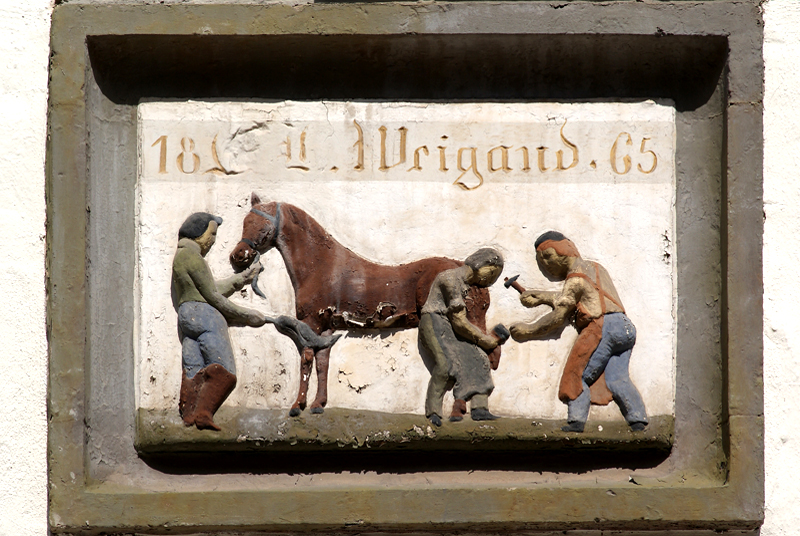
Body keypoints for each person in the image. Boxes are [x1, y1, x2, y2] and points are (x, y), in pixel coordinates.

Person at [509, 231, 648, 432]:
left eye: (548, 255)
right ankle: (637, 418)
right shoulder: (595, 267)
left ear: (565, 250)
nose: (546, 263)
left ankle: (576, 421)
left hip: (601, 328)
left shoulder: (574, 279)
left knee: (576, 375)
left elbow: (559, 316)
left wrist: (528, 330)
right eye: (541, 260)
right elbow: (585, 294)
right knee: (618, 378)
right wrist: (542, 296)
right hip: (624, 326)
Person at [171, 212, 266, 431]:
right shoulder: (193, 257)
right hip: (205, 317)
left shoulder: (181, 256)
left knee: (193, 369)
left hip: (187, 316)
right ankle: (204, 414)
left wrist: (242, 278)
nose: (213, 240)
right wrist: (247, 315)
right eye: (211, 234)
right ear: (199, 233)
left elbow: (209, 288)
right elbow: (213, 296)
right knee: (225, 371)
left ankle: (189, 415)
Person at [418, 248, 508, 427]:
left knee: (479, 357)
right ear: (479, 264)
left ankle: (479, 408)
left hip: (448, 324)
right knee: (444, 365)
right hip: (433, 321)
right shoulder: (450, 279)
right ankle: (433, 411)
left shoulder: (464, 284)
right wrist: (484, 340)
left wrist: (481, 343)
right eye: (491, 273)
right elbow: (458, 321)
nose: (491, 280)